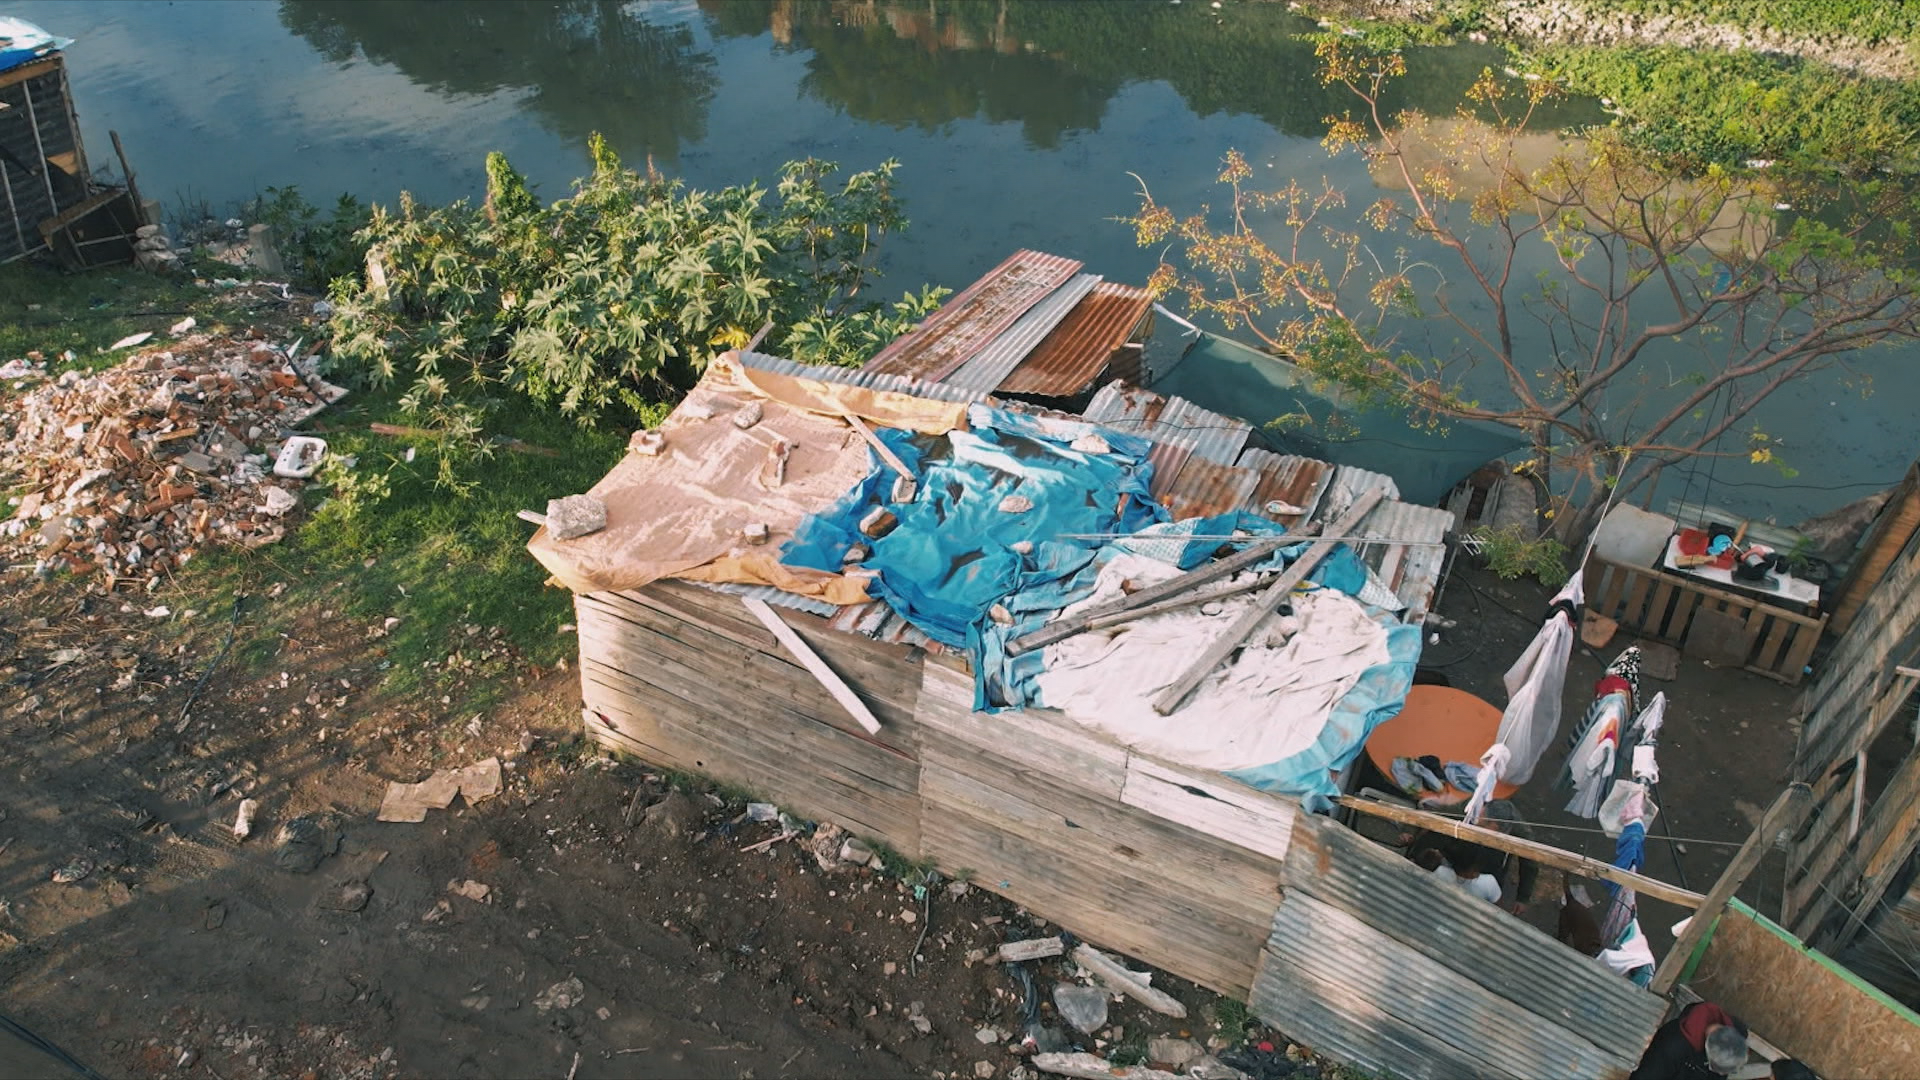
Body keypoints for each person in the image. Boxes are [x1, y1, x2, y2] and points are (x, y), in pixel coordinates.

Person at [1628, 1000, 1750, 1080]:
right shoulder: (1671, 1046)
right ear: (1708, 1051)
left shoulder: (1735, 1034)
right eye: (1718, 1068)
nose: (1723, 1074)